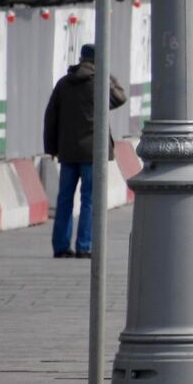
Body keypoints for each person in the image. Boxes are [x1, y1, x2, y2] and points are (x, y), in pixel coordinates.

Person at [42, 44, 127, 259]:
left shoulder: (63, 84)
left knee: (65, 199)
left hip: (68, 152)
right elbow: (120, 98)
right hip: (93, 153)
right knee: (89, 199)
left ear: (80, 59)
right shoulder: (99, 84)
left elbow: (51, 117)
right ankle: (84, 245)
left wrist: (51, 147)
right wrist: (109, 75)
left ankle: (61, 247)